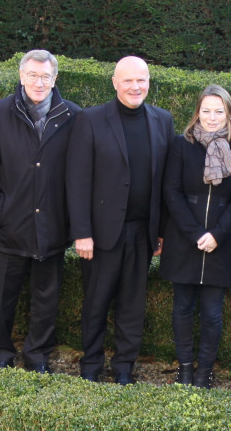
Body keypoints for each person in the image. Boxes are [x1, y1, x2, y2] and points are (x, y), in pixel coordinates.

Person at [0, 50, 81, 372]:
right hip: (9, 228)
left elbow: (81, 174)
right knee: (4, 297)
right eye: (32, 75)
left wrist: (69, 221)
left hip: (52, 228)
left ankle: (37, 356)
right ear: (21, 76)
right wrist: (1, 214)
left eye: (46, 76)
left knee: (46, 300)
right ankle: (1, 352)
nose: (39, 82)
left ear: (55, 78)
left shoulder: (73, 117)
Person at [66, 56, 175, 384]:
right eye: (128, 80)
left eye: (141, 80)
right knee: (96, 303)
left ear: (148, 83)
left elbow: (165, 182)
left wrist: (162, 231)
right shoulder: (90, 119)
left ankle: (124, 367)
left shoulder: (162, 120)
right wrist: (82, 232)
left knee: (132, 306)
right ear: (115, 83)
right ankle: (91, 365)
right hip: (100, 234)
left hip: (143, 232)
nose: (135, 86)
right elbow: (77, 179)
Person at [159, 84, 231, 388]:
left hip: (223, 243)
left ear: (229, 114)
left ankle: (205, 372)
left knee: (212, 313)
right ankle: (185, 368)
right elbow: (171, 190)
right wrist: (193, 233)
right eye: (206, 111)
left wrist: (216, 235)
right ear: (197, 112)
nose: (212, 117)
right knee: (182, 309)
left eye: (218, 111)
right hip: (184, 239)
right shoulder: (181, 144)